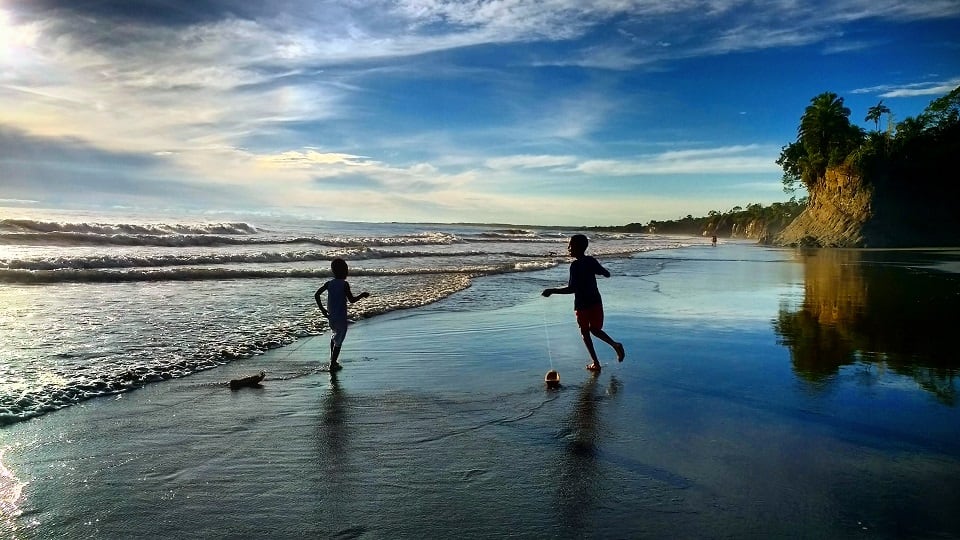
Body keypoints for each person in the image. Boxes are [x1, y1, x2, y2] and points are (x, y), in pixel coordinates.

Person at [542, 234, 625, 372]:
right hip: (595, 301)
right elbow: (606, 273)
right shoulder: (591, 261)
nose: (568, 248)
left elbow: (572, 289)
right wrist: (600, 271)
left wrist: (552, 291)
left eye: (570, 245)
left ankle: (596, 363)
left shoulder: (575, 265)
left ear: (577, 247)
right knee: (595, 330)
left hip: (582, 304)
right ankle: (615, 345)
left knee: (585, 332)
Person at [315, 258, 370, 370]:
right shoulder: (344, 284)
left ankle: (332, 359)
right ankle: (333, 363)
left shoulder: (329, 283)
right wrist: (362, 295)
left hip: (331, 316)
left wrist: (323, 310)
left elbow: (317, 295)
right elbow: (352, 300)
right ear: (345, 271)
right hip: (341, 318)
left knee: (334, 336)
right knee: (339, 340)